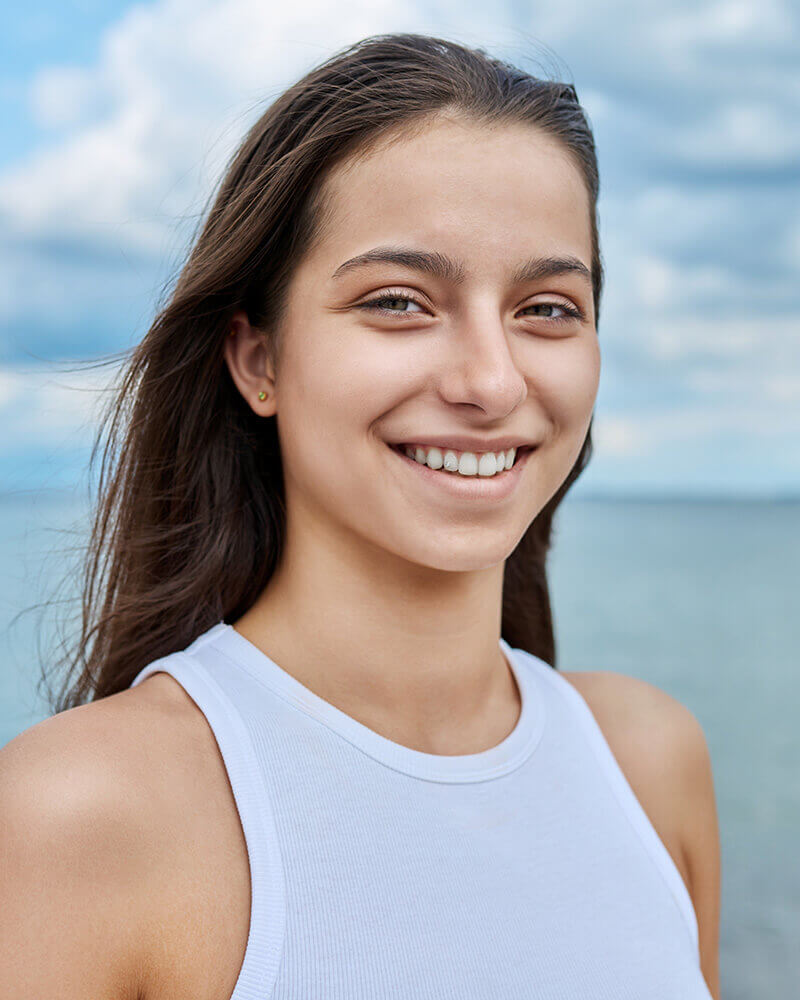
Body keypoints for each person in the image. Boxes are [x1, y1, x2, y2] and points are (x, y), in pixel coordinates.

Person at [0, 32, 720, 1000]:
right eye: (398, 301)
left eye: (546, 308)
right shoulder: (75, 812)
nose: (490, 380)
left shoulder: (648, 762)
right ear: (256, 359)